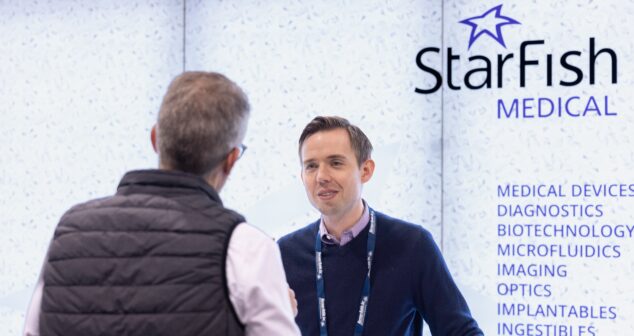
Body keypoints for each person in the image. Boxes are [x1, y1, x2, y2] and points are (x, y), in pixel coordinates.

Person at [24, 71, 300, 336]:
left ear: (156, 139)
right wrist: (279, 312)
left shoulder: (70, 232)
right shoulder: (245, 247)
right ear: (230, 160)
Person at [278, 116, 483, 335]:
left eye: (335, 163)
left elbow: (460, 331)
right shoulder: (284, 253)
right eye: (311, 166)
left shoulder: (412, 245)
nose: (321, 176)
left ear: (365, 170)